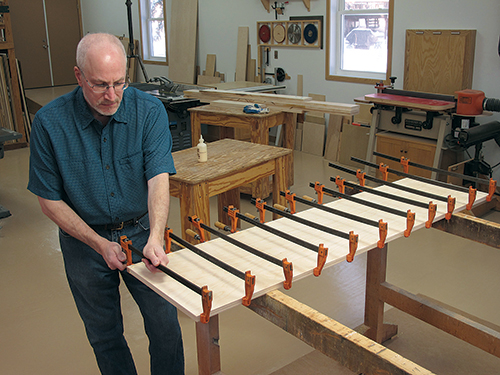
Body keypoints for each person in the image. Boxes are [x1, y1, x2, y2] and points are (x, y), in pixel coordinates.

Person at [28, 33, 184, 374]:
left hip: (143, 233)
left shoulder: (149, 111)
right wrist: (99, 244)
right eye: (100, 85)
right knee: (105, 335)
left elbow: (159, 176)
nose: (111, 95)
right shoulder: (50, 124)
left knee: (166, 327)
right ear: (79, 75)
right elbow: (48, 200)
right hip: (84, 242)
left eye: (119, 83)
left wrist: (156, 237)